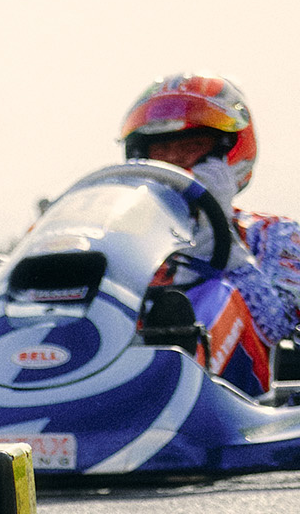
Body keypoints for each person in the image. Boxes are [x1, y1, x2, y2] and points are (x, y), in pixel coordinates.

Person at [118, 71, 297, 378]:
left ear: (228, 150)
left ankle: (171, 372)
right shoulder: (121, 240)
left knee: (217, 293)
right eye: (161, 150)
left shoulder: (276, 235)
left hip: (241, 400)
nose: (172, 160)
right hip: (120, 377)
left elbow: (282, 331)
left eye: (191, 146)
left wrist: (223, 245)